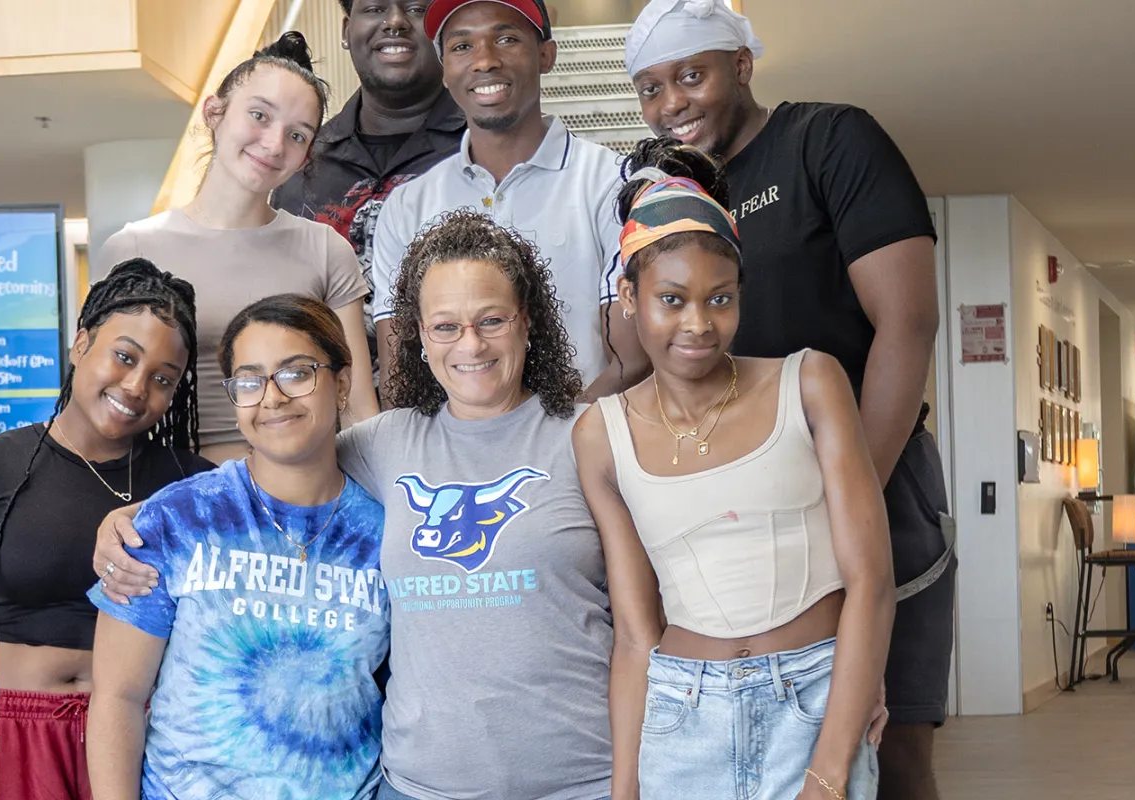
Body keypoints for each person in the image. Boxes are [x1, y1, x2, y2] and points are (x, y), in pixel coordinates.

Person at [95, 211, 615, 800]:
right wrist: (137, 517)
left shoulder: (583, 437)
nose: (470, 343)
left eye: (491, 319)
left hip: (567, 777)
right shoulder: (377, 448)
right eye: (445, 325)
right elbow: (283, 459)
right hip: (411, 786)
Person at [618, 4, 953, 797]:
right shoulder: (659, 191)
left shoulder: (829, 141)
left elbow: (908, 322)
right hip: (731, 498)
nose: (672, 103)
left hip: (872, 476)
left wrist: (844, 504)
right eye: (651, 89)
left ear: (742, 65)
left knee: (887, 749)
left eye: (691, 76)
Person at [576, 139, 893, 800]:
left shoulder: (810, 384)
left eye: (719, 300)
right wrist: (625, 789)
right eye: (672, 300)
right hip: (681, 719)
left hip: (814, 704)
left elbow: (871, 583)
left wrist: (830, 773)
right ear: (629, 297)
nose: (699, 324)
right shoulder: (601, 434)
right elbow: (635, 636)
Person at [0, 258, 213, 800]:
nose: (136, 386)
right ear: (81, 345)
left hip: (146, 743)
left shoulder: (193, 487)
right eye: (125, 357)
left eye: (162, 379)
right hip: (12, 742)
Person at [85, 294, 390, 800]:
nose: (272, 397)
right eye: (249, 381)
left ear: (342, 383)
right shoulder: (179, 519)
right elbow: (119, 696)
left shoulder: (387, 533)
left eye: (296, 373)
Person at [98, 32, 379, 464]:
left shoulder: (326, 250)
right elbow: (98, 400)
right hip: (172, 486)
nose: (274, 144)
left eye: (297, 135)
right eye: (259, 115)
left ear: (306, 156)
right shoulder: (132, 249)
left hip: (299, 486)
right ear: (214, 112)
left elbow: (357, 408)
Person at [369, 0, 628, 399]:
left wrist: (561, 431)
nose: (485, 60)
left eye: (506, 39)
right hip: (450, 438)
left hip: (584, 430)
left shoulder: (611, 183)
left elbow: (631, 361)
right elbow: (399, 380)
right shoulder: (407, 207)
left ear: (546, 55)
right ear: (444, 70)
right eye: (462, 46)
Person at [272, 0, 465, 293]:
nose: (395, 22)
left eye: (416, 8)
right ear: (347, 32)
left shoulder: (484, 152)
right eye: (375, 8)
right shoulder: (301, 161)